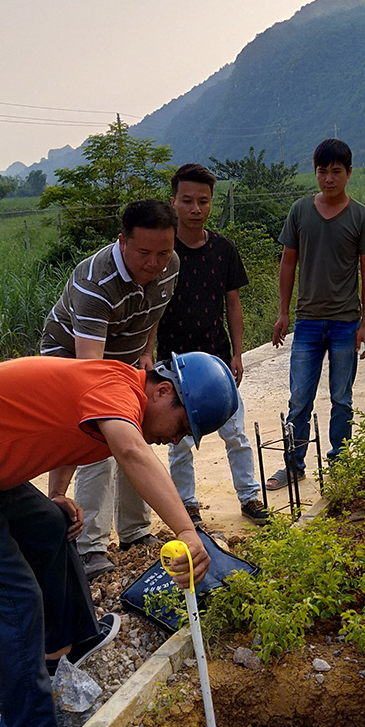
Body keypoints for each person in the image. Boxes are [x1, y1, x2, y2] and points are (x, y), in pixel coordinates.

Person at [0, 351, 238, 727]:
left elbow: (68, 433)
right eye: (183, 426)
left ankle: (70, 642)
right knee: (13, 601)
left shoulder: (115, 393)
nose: (175, 439)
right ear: (163, 390)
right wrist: (187, 531)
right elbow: (133, 452)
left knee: (52, 523)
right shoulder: (119, 394)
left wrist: (56, 493)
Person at [41, 199, 179, 579]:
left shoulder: (171, 266)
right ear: (122, 242)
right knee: (98, 443)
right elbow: (89, 374)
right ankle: (88, 546)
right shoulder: (95, 283)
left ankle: (136, 531)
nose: (155, 263)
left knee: (143, 434)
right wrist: (113, 418)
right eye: (144, 253)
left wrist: (147, 353)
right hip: (71, 359)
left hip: (126, 359)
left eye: (164, 252)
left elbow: (154, 311)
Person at [156, 163, 269, 526]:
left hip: (217, 359)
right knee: (180, 442)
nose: (195, 208)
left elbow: (232, 302)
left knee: (235, 433)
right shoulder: (163, 252)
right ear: (173, 202)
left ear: (211, 203)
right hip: (173, 364)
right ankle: (187, 505)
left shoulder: (223, 249)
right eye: (187, 200)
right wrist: (146, 353)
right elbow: (151, 306)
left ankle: (250, 496)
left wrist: (238, 352)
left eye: (203, 201)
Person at [267, 138, 365, 488]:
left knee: (341, 400)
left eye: (336, 171)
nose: (328, 178)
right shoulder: (300, 212)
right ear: (315, 172)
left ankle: (340, 465)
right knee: (299, 397)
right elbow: (288, 263)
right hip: (307, 324)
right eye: (322, 171)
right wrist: (283, 313)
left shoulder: (361, 217)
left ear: (348, 173)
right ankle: (293, 464)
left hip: (347, 324)